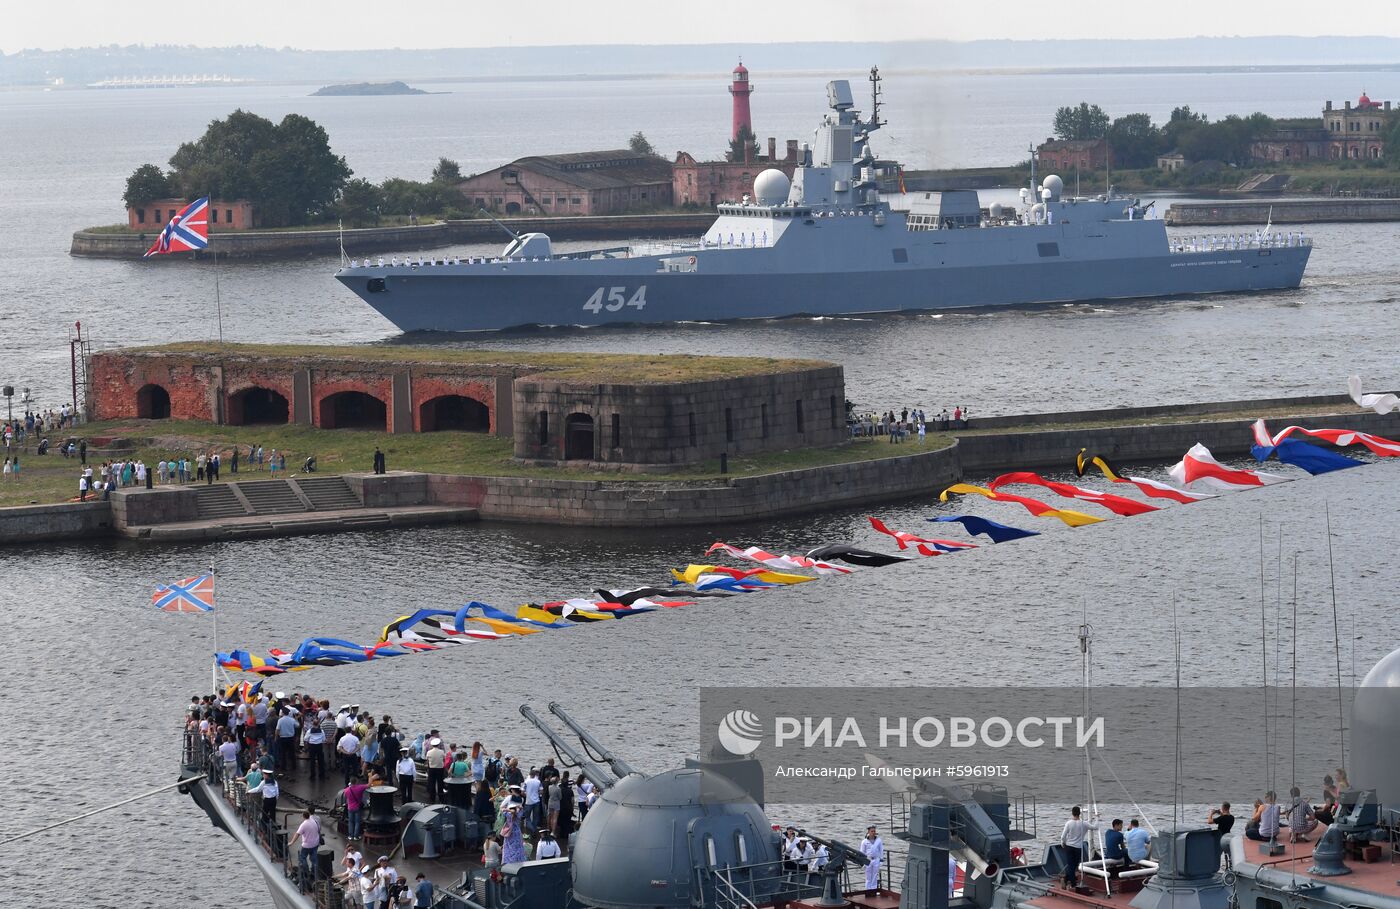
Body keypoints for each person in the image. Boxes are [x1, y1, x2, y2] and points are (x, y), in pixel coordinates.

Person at [1059, 806, 1097, 888]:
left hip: (1069, 846)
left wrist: (1063, 843)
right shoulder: (1084, 823)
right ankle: (1071, 882)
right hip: (1078, 847)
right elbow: (1095, 827)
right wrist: (1097, 818)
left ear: (1072, 813)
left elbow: (1063, 836)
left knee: (1070, 865)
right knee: (1074, 865)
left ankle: (1068, 881)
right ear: (1079, 813)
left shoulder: (1069, 823)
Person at [293, 810, 322, 884]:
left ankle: (306, 872)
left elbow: (297, 834)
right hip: (315, 843)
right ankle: (314, 873)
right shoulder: (314, 821)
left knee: (302, 858)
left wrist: (291, 842)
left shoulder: (304, 824)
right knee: (314, 859)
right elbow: (319, 830)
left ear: (303, 816)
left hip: (307, 845)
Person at [861, 826, 883, 892]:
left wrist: (881, 861)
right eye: (872, 831)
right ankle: (868, 890)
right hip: (868, 860)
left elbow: (881, 851)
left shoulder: (878, 840)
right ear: (868, 832)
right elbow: (862, 852)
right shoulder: (864, 841)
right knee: (868, 876)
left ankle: (873, 890)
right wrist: (863, 861)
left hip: (876, 859)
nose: (873, 832)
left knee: (875, 876)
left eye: (874, 831)